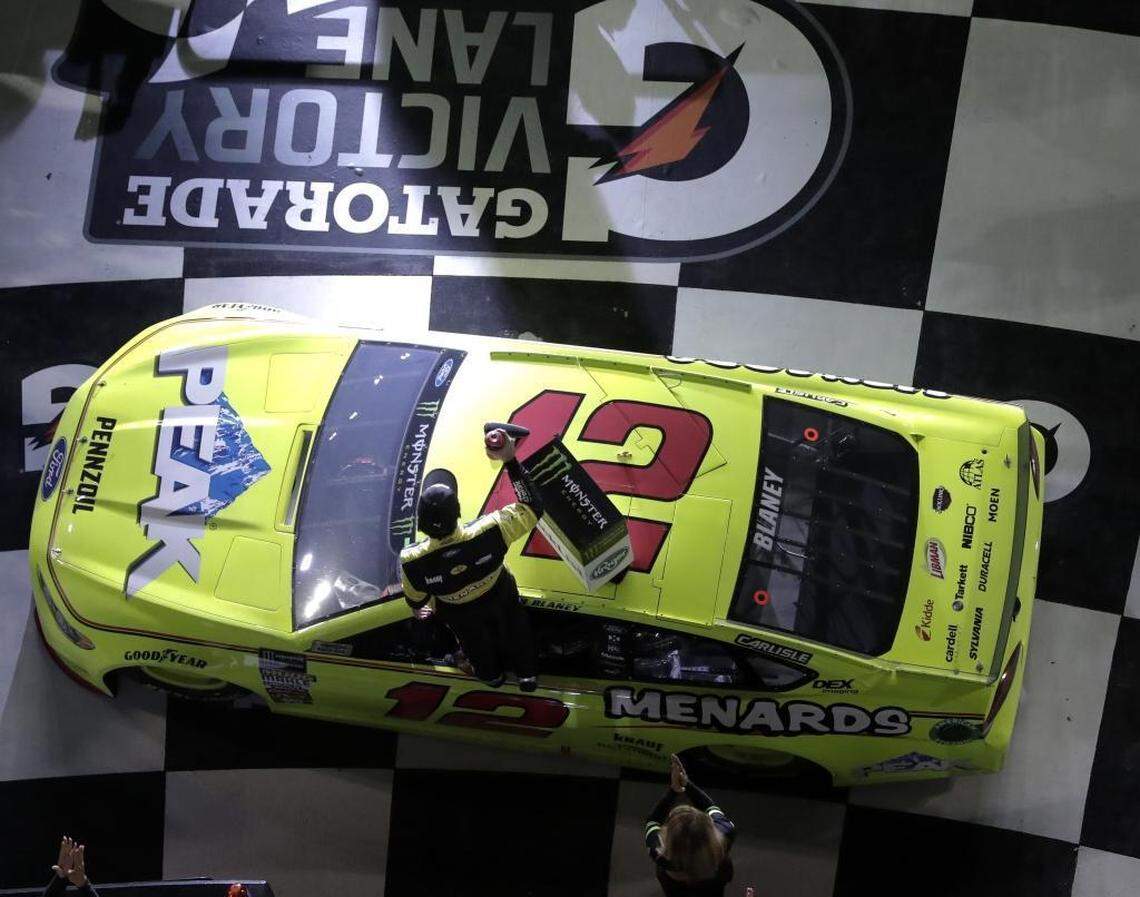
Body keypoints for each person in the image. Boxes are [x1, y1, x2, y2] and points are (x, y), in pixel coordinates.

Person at [399, 427, 544, 691]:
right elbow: (533, 505)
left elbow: (416, 602)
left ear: (420, 521)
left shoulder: (411, 561)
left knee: (476, 645)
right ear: (457, 511)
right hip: (500, 595)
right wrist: (509, 459)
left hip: (461, 616)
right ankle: (527, 676)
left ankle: (492, 678)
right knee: (516, 629)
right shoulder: (493, 528)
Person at [645, 755, 736, 896]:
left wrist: (674, 790)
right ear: (707, 825)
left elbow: (652, 821)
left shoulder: (658, 851)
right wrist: (687, 784)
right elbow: (710, 807)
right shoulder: (725, 832)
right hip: (714, 885)